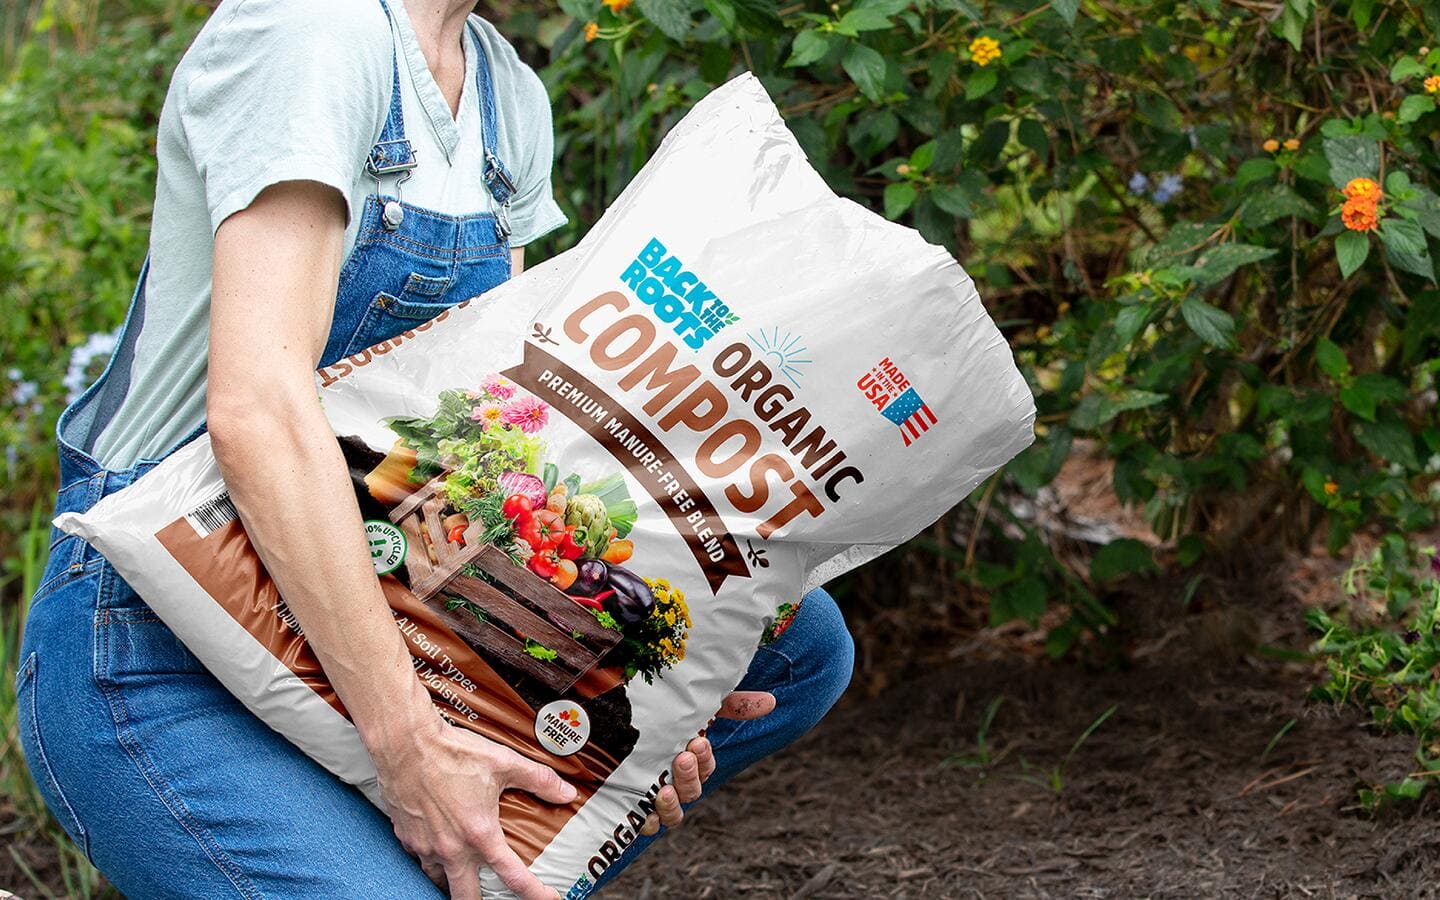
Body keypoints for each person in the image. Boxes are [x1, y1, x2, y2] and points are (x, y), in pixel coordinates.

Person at [16, 1, 855, 897]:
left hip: (387, 590)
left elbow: (491, 444)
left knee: (789, 648)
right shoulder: (312, 32)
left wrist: (634, 719)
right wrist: (413, 749)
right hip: (164, 621)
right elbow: (256, 413)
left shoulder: (505, 96)